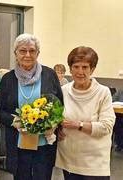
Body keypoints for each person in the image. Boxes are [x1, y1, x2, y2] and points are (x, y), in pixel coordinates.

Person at [0, 33, 63, 180]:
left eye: (32, 51)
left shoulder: (49, 75)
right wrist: (16, 121)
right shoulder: (7, 79)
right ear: (15, 53)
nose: (27, 55)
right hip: (18, 144)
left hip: (44, 144)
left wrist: (53, 123)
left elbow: (60, 105)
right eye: (22, 50)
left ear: (38, 53)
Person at [56, 46, 115, 180]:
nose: (80, 72)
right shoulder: (63, 91)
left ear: (92, 69)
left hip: (95, 165)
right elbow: (57, 119)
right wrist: (57, 129)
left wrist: (78, 125)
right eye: (76, 67)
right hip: (69, 161)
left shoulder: (102, 92)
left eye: (85, 67)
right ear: (70, 69)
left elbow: (106, 126)